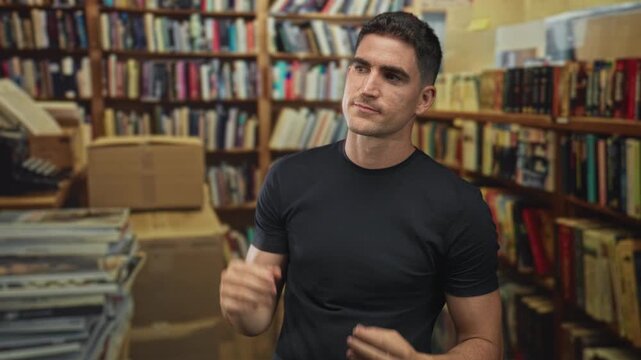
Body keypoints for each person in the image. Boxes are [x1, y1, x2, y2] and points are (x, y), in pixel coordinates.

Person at [219, 11, 503, 360]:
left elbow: (486, 343)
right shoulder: (287, 178)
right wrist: (241, 306)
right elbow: (255, 319)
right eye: (361, 67)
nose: (368, 88)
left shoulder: (460, 206)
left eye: (393, 76)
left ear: (424, 99)